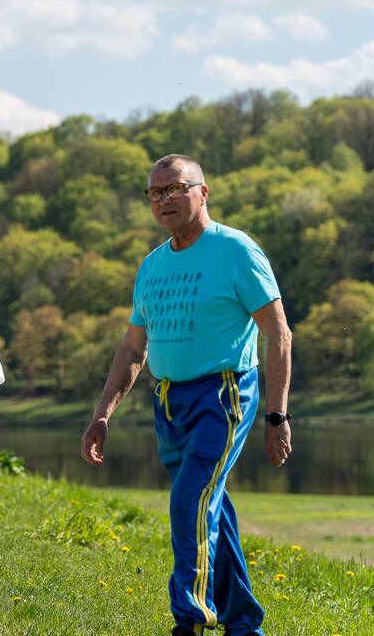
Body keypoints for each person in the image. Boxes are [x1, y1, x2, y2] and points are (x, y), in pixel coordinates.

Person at [81, 154, 292, 636]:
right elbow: (133, 348)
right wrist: (103, 415)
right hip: (169, 401)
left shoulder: (236, 250)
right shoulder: (152, 266)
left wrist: (277, 415)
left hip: (224, 394)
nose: (165, 200)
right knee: (208, 507)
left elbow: (277, 332)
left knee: (189, 500)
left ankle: (190, 621)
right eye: (156, 193)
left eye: (176, 188)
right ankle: (242, 622)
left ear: (203, 191)